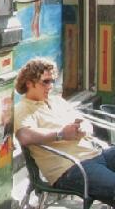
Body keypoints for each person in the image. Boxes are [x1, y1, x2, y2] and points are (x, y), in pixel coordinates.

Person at [15, 58, 115, 202]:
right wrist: (61, 134)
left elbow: (85, 123)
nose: (50, 86)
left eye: (52, 81)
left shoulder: (56, 101)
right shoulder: (23, 108)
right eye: (45, 82)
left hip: (96, 153)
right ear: (29, 83)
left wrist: (83, 128)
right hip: (71, 167)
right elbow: (24, 135)